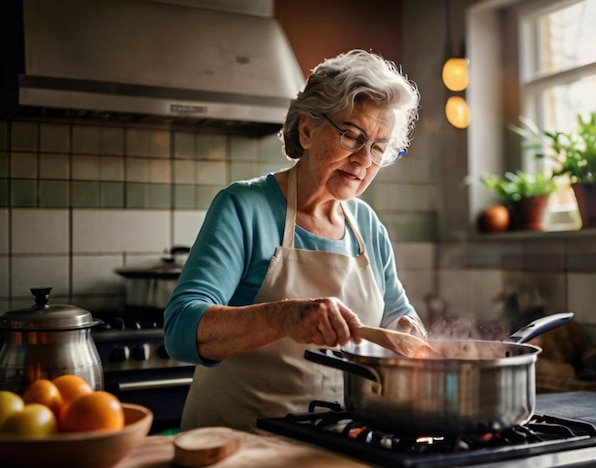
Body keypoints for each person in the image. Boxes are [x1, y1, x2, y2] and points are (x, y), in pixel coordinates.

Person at [164, 49, 427, 432]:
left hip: (337, 445)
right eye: (352, 136)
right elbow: (180, 329)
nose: (363, 160)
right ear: (307, 130)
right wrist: (282, 316)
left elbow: (396, 316)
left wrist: (408, 330)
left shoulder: (367, 226)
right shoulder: (244, 207)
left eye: (378, 147)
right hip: (241, 444)